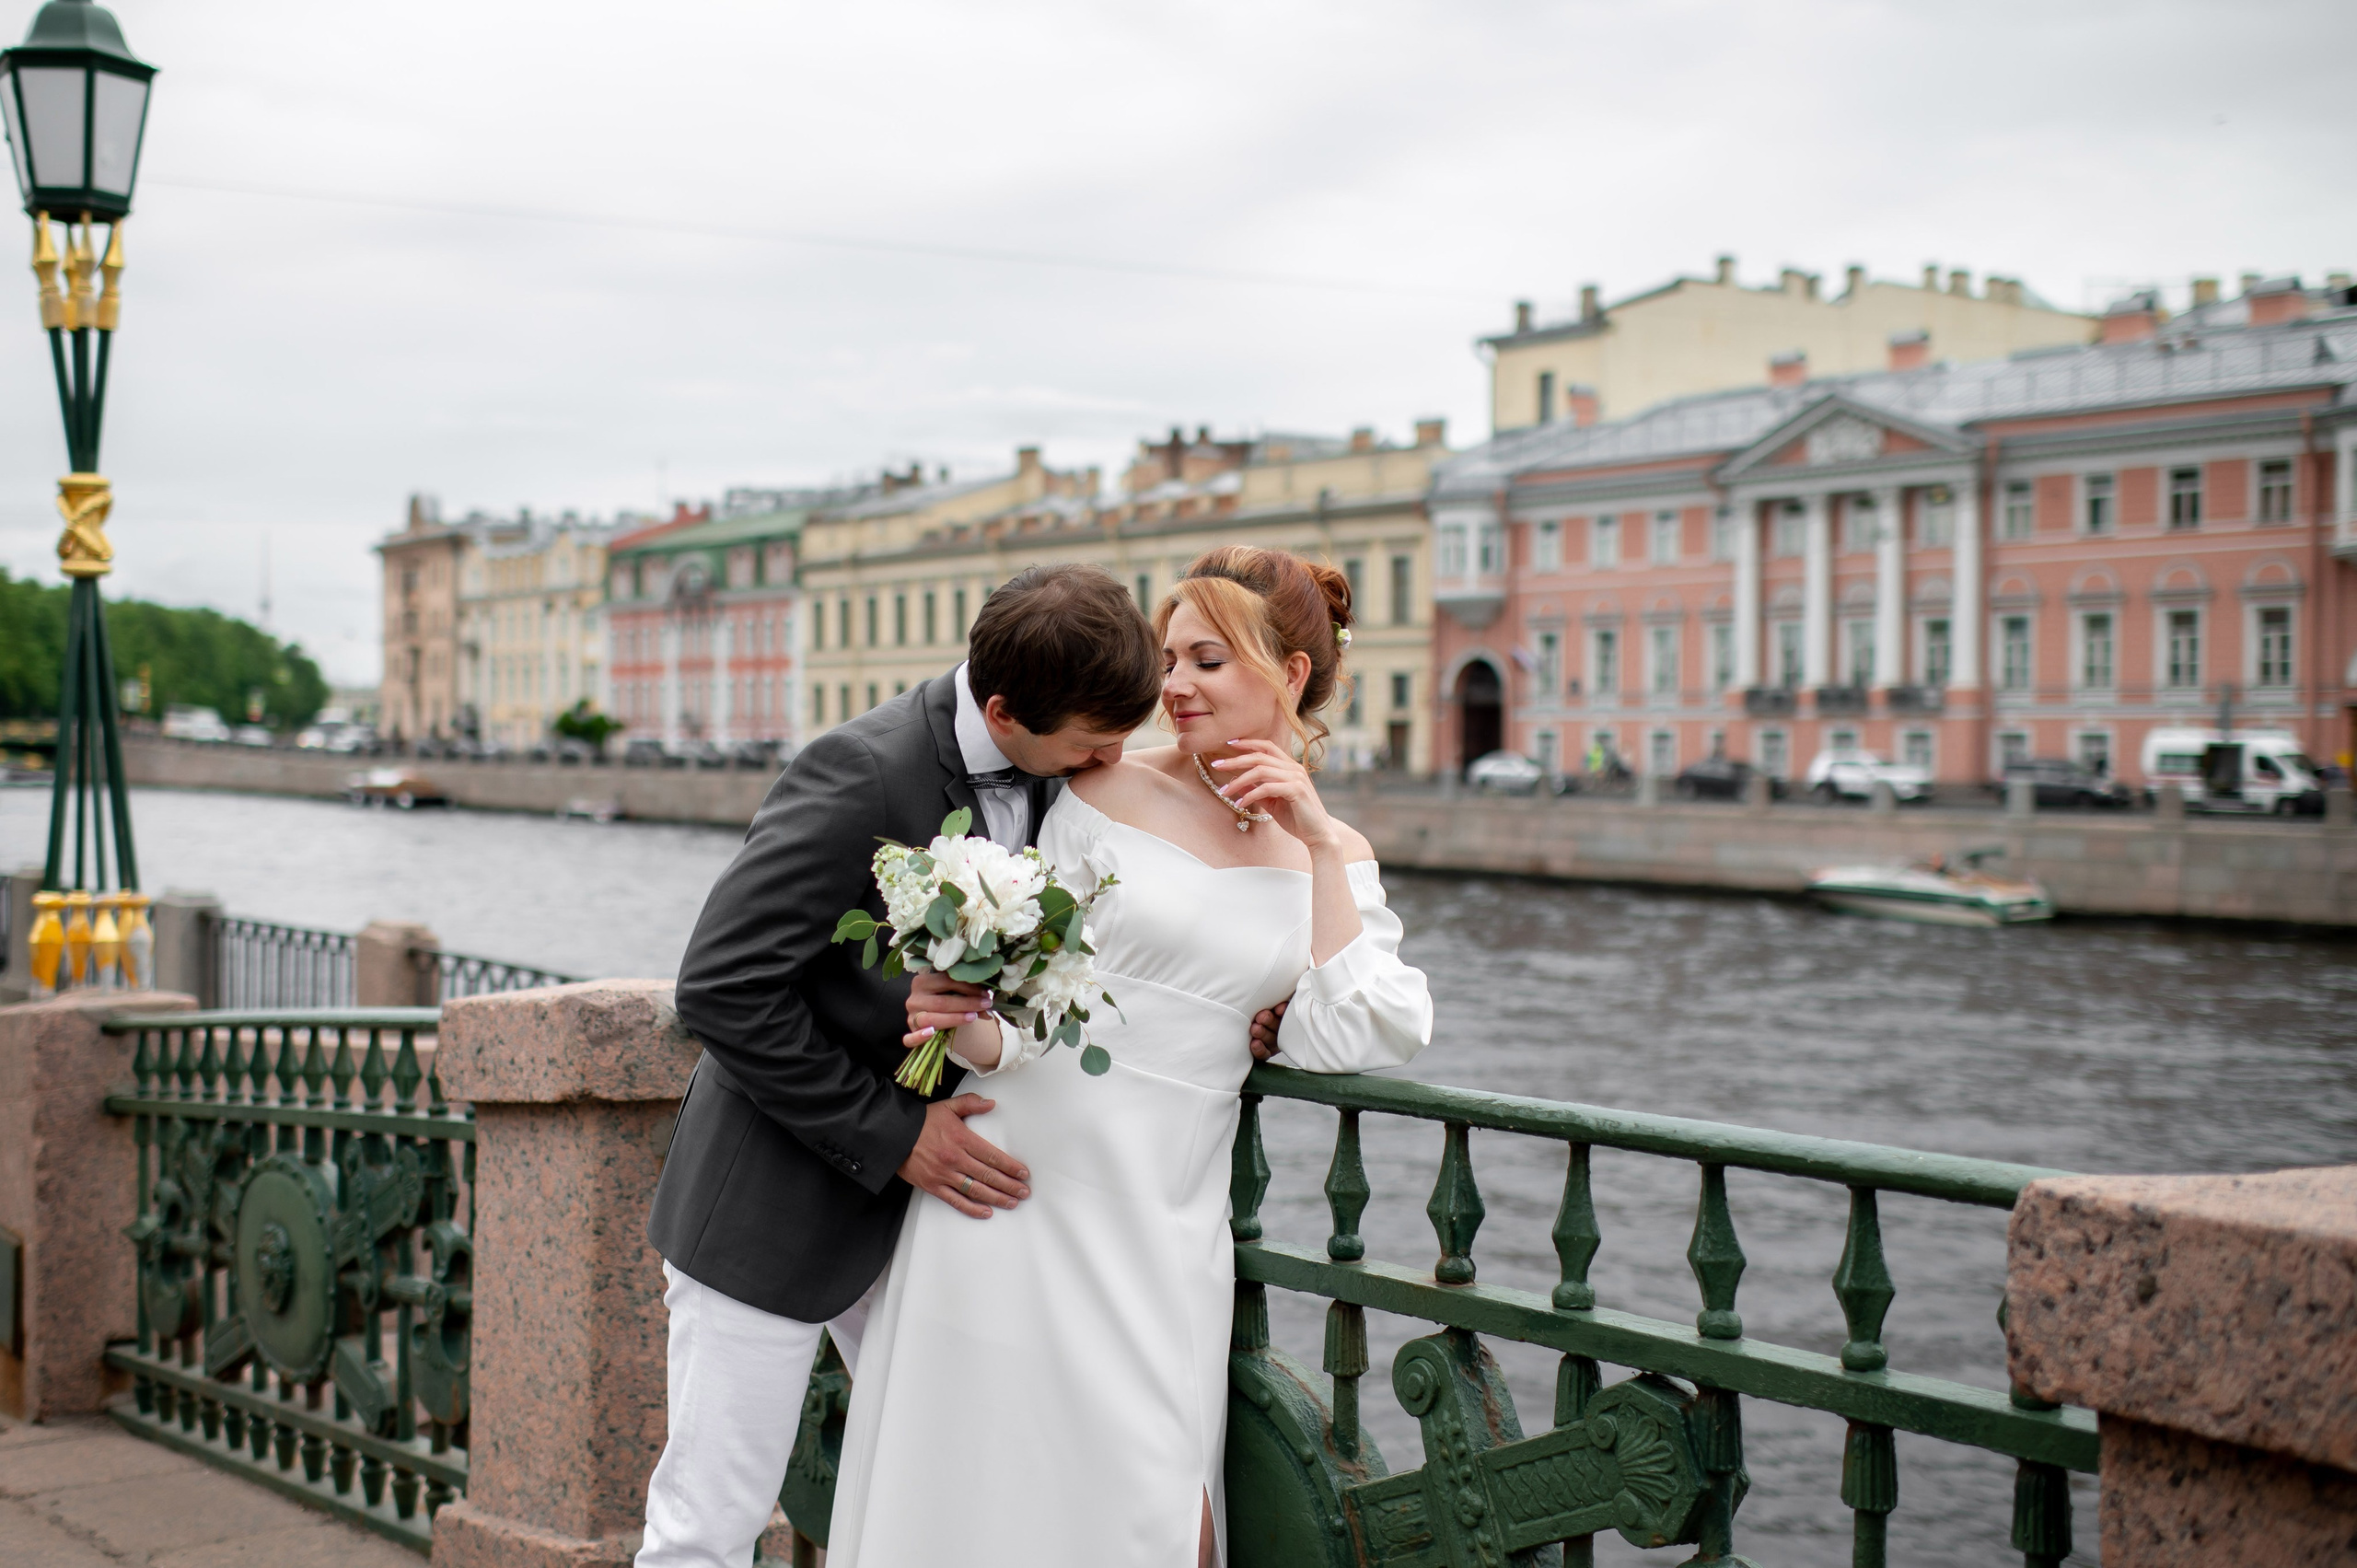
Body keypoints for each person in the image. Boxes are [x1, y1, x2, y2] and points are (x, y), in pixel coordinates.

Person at [826, 545, 1434, 1568]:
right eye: (1167, 657)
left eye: (1206, 659)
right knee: (974, 1487)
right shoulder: (1103, 785)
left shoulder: (1337, 853)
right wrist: (952, 1017)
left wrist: (1319, 845)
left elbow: (1358, 1030)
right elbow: (1018, 1010)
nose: (1172, 685)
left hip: (1163, 1216)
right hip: (1012, 1181)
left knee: (1149, 1506)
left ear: (1288, 676)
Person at [633, 563, 1166, 1568]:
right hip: (775, 1202)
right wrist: (893, 1134)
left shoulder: (1062, 771)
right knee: (711, 1520)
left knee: (956, 1491)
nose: (1114, 758)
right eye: (1094, 739)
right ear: (1003, 710)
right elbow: (719, 987)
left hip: (939, 1225)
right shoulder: (861, 770)